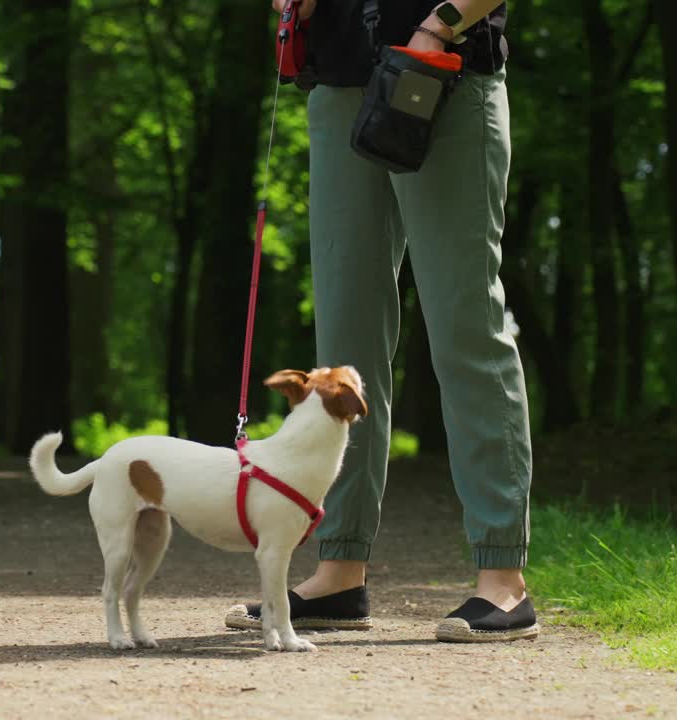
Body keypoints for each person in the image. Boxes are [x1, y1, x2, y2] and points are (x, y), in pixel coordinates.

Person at [225, 0, 537, 642]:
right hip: (339, 81)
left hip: (442, 72)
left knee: (465, 329)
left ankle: (502, 581)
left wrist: (437, 22)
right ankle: (339, 570)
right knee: (344, 345)